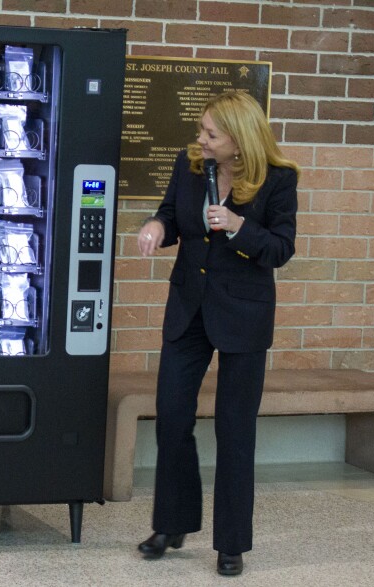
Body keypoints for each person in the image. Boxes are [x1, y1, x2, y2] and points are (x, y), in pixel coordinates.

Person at [135, 90, 300, 576]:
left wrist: (237, 225)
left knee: (234, 431)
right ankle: (173, 522)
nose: (200, 140)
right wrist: (155, 227)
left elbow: (281, 248)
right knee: (171, 415)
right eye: (201, 130)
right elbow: (169, 213)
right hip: (189, 308)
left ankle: (232, 544)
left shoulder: (278, 179)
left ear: (238, 140)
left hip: (243, 317)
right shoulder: (189, 167)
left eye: (211, 134)